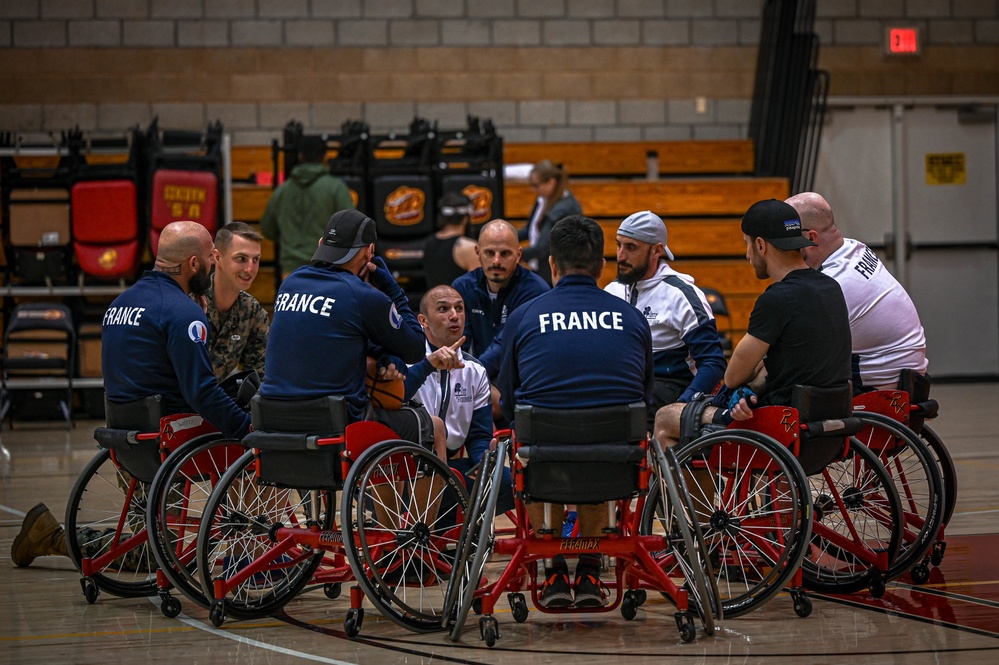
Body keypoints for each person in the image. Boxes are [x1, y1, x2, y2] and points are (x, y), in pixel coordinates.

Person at [12, 221, 253, 568]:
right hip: (168, 439)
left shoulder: (119, 305)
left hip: (125, 437)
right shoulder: (181, 312)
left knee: (155, 547)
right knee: (156, 556)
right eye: (209, 259)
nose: (213, 265)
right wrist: (247, 430)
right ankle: (51, 536)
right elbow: (201, 391)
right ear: (193, 265)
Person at [498, 214, 654, 609]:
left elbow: (511, 398)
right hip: (616, 467)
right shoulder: (634, 319)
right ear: (602, 265)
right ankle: (588, 566)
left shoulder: (524, 317)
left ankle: (553, 566)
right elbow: (644, 393)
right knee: (602, 435)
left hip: (543, 463)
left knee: (527, 436)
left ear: (552, 264)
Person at [653, 199, 852, 446]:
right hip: (828, 424)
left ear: (760, 245)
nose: (747, 254)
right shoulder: (830, 286)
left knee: (666, 417)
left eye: (747, 244)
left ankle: (698, 486)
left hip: (782, 426)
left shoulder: (777, 298)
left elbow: (733, 377)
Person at [259, 208, 451, 460]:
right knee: (434, 427)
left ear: (321, 244)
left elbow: (334, 334)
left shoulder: (290, 282)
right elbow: (415, 347)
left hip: (272, 417)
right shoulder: (362, 295)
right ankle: (442, 501)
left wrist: (382, 353)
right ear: (369, 251)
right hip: (335, 424)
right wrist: (392, 288)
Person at [787, 191, 928, 391]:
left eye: (788, 237)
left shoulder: (832, 283)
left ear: (810, 237)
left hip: (878, 387)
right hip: (909, 373)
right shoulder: (855, 248)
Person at [605, 210, 727, 430]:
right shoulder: (612, 291)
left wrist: (684, 404)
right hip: (624, 386)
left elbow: (713, 363)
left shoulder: (681, 295)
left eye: (631, 247)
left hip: (668, 388)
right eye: (618, 245)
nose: (620, 256)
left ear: (657, 250)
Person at [404, 285, 514, 513]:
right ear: (423, 320)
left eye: (459, 309)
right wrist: (427, 366)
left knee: (508, 482)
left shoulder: (475, 370)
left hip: (449, 466)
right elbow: (398, 395)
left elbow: (479, 436)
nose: (454, 316)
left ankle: (449, 529)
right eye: (443, 309)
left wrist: (484, 462)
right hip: (403, 468)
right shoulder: (406, 360)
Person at [452, 219, 549, 382]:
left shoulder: (535, 290)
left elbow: (505, 344)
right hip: (479, 378)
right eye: (489, 253)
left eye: (505, 254)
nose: (496, 261)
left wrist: (473, 379)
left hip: (521, 381)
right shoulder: (463, 287)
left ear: (518, 255)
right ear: (478, 252)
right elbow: (458, 341)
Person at [260, 135, 354, 279]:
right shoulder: (336, 188)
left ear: (300, 156)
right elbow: (351, 228)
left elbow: (267, 229)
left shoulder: (282, 190)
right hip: (327, 269)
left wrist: (289, 238)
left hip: (292, 271)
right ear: (325, 156)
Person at [204, 222, 269, 380]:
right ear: (217, 257)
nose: (250, 269)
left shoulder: (252, 311)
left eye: (256, 260)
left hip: (215, 400)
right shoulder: (190, 302)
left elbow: (259, 375)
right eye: (241, 259)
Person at [519, 160, 582, 285]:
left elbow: (542, 248)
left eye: (536, 185)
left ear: (551, 182)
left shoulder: (565, 208)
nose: (533, 189)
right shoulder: (543, 200)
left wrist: (512, 255)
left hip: (555, 273)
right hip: (541, 268)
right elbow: (529, 230)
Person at [422, 192, 478, 288]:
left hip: (434, 301)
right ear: (466, 218)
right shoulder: (469, 247)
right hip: (460, 302)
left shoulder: (428, 243)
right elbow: (479, 287)